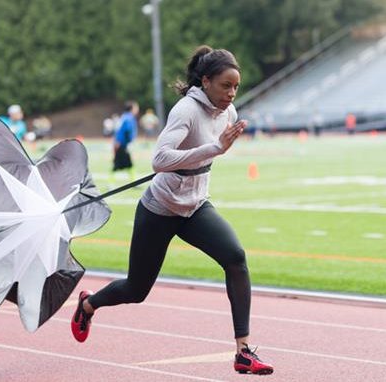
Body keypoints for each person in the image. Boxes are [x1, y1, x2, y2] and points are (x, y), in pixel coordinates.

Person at [71, 45, 274, 376]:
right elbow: (159, 160)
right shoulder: (185, 111)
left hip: (195, 208)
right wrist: (215, 148)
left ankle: (243, 351)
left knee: (235, 258)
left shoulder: (229, 112)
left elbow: (205, 154)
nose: (232, 93)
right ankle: (88, 304)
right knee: (137, 290)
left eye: (236, 86)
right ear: (206, 81)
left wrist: (214, 150)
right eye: (225, 85)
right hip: (160, 210)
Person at [110, 101, 139, 185]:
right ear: (132, 108)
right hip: (122, 144)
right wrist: (127, 142)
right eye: (136, 107)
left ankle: (134, 183)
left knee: (129, 164)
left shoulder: (124, 117)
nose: (137, 109)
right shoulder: (129, 118)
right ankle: (110, 183)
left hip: (120, 143)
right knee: (116, 165)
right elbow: (127, 131)